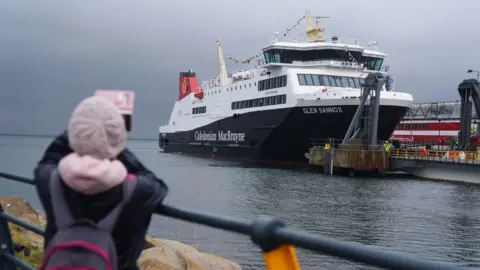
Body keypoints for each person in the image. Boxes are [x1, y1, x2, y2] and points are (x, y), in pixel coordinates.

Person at [33, 96, 168, 270]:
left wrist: (86, 128)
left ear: (74, 133)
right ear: (118, 138)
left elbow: (50, 157)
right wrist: (112, 141)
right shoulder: (138, 191)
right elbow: (154, 182)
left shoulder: (50, 181)